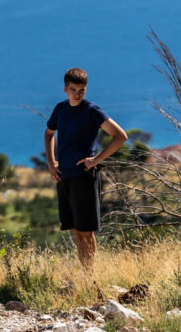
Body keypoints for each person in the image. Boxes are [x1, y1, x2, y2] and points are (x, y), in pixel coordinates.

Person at [44, 68, 127, 268]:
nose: (77, 94)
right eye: (73, 90)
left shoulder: (92, 111)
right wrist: (51, 163)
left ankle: (89, 274)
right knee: (74, 228)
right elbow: (49, 134)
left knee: (85, 230)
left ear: (86, 89)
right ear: (65, 89)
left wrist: (95, 159)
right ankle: (85, 271)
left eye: (81, 90)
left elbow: (120, 136)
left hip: (84, 176)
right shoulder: (60, 109)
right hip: (64, 176)